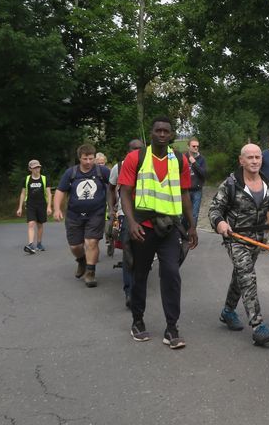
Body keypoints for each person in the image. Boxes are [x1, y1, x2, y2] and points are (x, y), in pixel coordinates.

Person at [119, 117, 198, 349]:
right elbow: (125, 192)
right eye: (158, 131)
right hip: (143, 226)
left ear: (171, 134)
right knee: (140, 274)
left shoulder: (180, 160)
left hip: (170, 227)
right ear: (151, 134)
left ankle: (172, 328)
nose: (162, 134)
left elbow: (184, 194)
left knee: (172, 274)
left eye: (166, 131)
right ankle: (138, 321)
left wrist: (192, 225)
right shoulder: (136, 157)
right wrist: (130, 222)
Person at [209, 143, 269, 346]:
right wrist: (220, 223)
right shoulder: (231, 184)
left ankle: (228, 311)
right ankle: (258, 326)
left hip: (256, 238)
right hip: (236, 238)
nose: (255, 161)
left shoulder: (268, 183)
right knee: (247, 275)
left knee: (240, 276)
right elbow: (214, 209)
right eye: (250, 157)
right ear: (241, 160)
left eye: (258, 157)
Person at [53, 144, 111, 287]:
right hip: (74, 215)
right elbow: (60, 191)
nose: (88, 162)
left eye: (91, 158)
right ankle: (81, 261)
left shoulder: (102, 171)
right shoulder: (71, 173)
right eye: (85, 159)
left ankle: (90, 273)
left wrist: (113, 205)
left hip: (96, 213)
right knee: (75, 246)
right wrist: (56, 209)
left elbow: (114, 186)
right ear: (80, 158)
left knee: (91, 242)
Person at [108, 139, 144, 308]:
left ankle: (138, 286)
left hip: (146, 214)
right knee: (128, 254)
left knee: (142, 255)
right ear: (128, 150)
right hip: (125, 214)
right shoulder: (119, 167)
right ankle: (129, 291)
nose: (136, 152)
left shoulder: (148, 165)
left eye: (139, 149)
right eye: (133, 149)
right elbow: (111, 187)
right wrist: (111, 209)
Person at [16, 159, 52, 254]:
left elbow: (49, 194)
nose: (37, 169)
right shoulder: (27, 179)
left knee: (40, 225)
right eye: (35, 167)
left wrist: (49, 207)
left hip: (42, 205)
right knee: (31, 224)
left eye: (38, 167)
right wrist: (20, 207)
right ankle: (31, 245)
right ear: (30, 169)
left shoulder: (44, 179)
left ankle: (39, 244)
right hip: (30, 204)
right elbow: (23, 194)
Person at [185, 137, 207, 226]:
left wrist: (194, 163)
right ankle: (183, 234)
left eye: (197, 146)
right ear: (188, 147)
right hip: (185, 190)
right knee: (183, 214)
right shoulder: (183, 158)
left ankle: (192, 233)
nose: (196, 148)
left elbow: (204, 174)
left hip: (197, 190)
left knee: (194, 214)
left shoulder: (201, 159)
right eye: (193, 146)